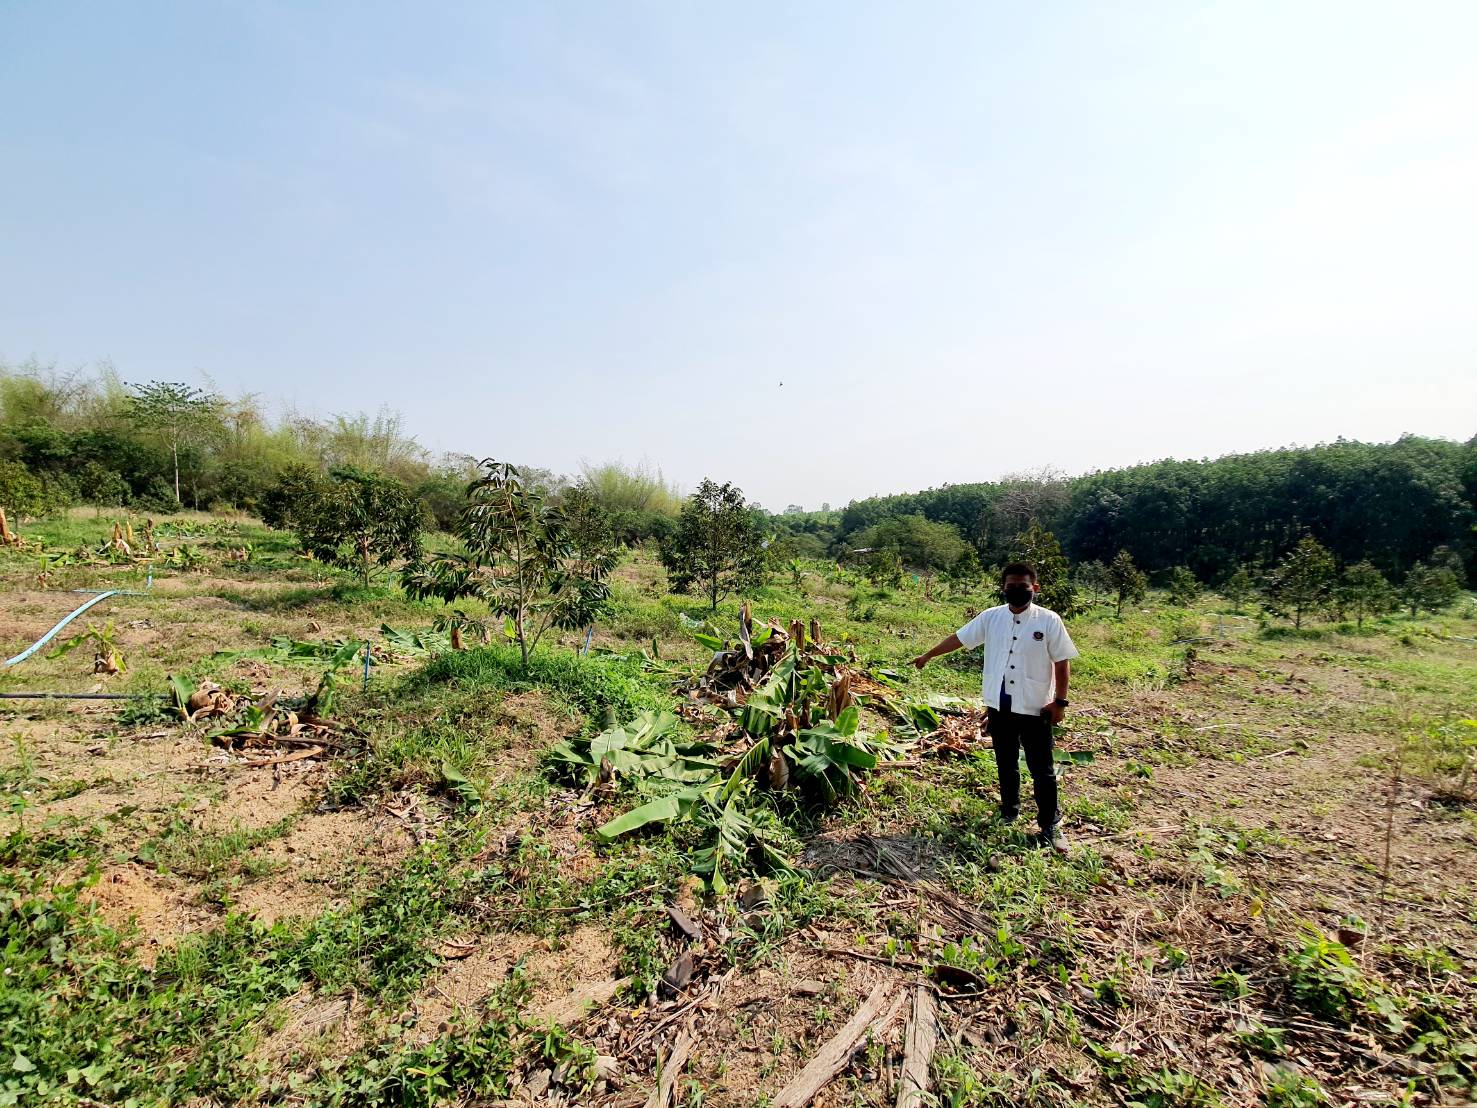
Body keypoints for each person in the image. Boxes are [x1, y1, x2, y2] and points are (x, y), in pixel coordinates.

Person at [911, 561, 1078, 852]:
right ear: (1003, 588)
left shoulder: (1049, 620)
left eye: (1023, 587)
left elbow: (1062, 661)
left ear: (1034, 588)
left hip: (1036, 706)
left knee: (1042, 769)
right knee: (1006, 762)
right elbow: (960, 639)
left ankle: (1050, 825)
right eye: (1011, 587)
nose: (1016, 591)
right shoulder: (991, 617)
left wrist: (1060, 701)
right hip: (999, 705)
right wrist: (929, 654)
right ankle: (1009, 811)